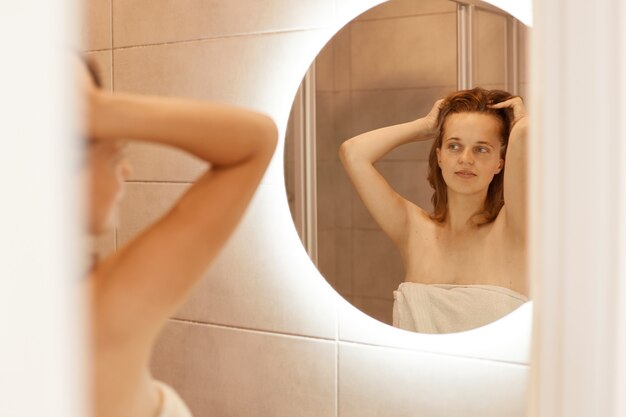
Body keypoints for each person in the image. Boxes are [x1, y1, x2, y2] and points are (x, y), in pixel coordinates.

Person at [79, 59, 278, 417]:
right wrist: (99, 108)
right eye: (115, 152)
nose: (127, 169)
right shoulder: (100, 312)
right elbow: (255, 141)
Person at [339, 87, 528, 334]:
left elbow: (527, 134)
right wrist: (425, 125)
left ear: (499, 163)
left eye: (481, 149)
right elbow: (353, 153)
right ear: (439, 156)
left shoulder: (513, 227)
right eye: (454, 146)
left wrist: (521, 122)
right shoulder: (412, 229)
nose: (466, 159)